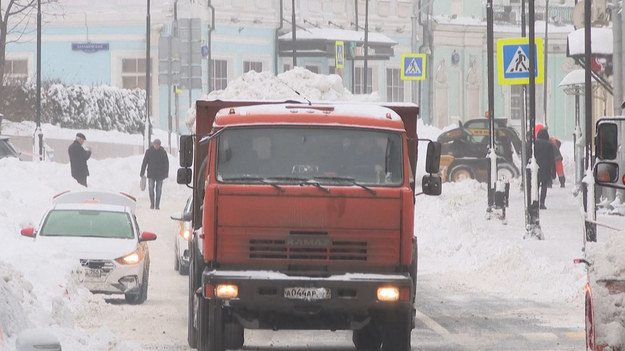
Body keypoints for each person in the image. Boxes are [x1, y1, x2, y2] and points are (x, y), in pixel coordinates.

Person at [140, 139, 169, 209]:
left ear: (159, 145)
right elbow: (145, 162)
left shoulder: (163, 152)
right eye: (155, 144)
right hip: (151, 174)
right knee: (150, 189)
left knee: (158, 190)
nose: (156, 146)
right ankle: (152, 204)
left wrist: (166, 173)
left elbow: (166, 164)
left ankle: (157, 205)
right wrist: (142, 172)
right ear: (153, 144)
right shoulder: (149, 152)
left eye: (158, 144)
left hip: (160, 175)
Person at [534, 129, 556, 209]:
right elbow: (552, 159)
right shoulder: (549, 145)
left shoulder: (534, 144)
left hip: (535, 169)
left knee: (535, 185)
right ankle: (542, 203)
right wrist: (553, 172)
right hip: (545, 169)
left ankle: (534, 201)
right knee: (544, 186)